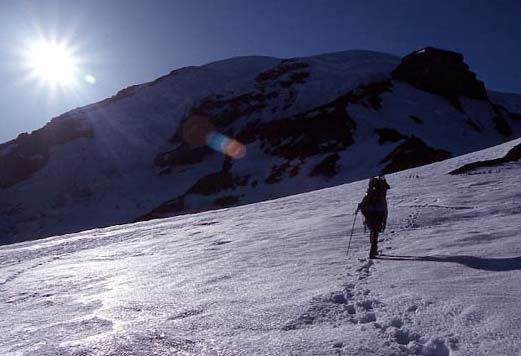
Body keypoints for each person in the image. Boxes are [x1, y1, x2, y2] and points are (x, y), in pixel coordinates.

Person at [356, 176, 390, 259]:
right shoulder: (382, 188)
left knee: (373, 229)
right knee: (376, 230)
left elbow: (365, 198)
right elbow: (387, 188)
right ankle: (373, 251)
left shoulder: (371, 189)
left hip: (369, 212)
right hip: (379, 211)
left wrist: (360, 207)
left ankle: (373, 249)